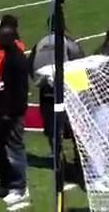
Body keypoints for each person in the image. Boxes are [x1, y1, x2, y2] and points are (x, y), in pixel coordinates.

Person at [28, 14, 84, 158]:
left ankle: (56, 155)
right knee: (74, 126)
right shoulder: (69, 43)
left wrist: (40, 82)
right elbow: (79, 64)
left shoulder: (40, 43)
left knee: (51, 127)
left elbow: (31, 65)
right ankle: (78, 157)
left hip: (46, 90)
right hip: (66, 91)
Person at [0, 27, 30, 205]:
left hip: (12, 114)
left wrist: (11, 112)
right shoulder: (10, 56)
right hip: (5, 112)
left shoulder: (16, 60)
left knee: (13, 149)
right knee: (1, 149)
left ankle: (19, 187)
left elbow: (19, 91)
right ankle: (7, 182)